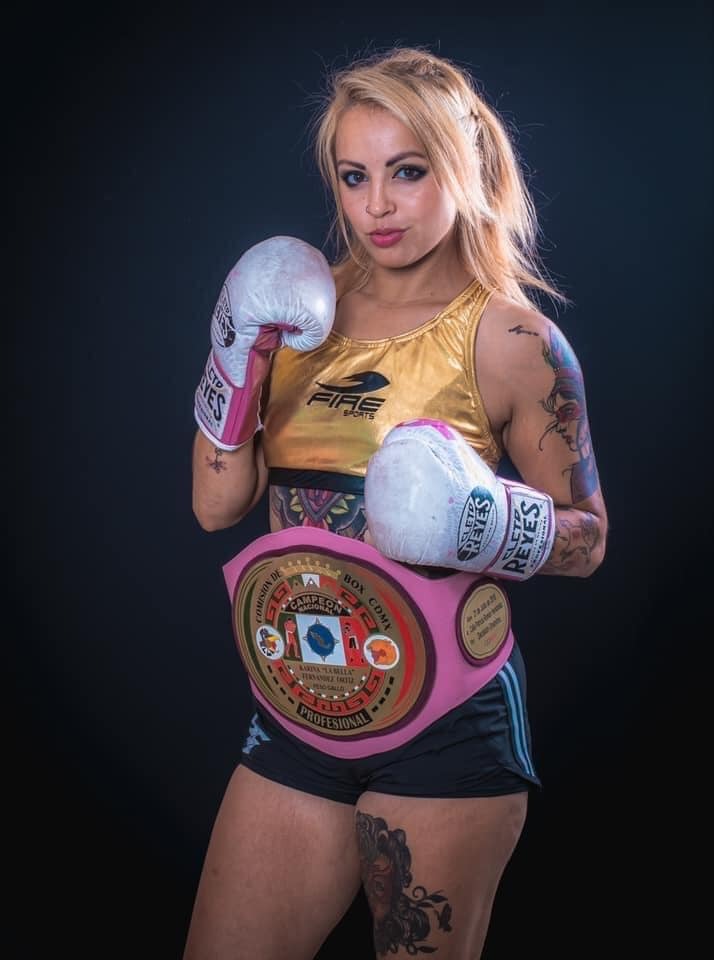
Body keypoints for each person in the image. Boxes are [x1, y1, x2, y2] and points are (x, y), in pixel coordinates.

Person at [185, 45, 608, 960]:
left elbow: (590, 540)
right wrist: (235, 356)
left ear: (463, 170)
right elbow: (217, 506)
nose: (376, 204)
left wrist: (480, 521)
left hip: (448, 726)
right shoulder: (291, 311)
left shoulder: (513, 340)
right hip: (299, 710)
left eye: (407, 172)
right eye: (354, 176)